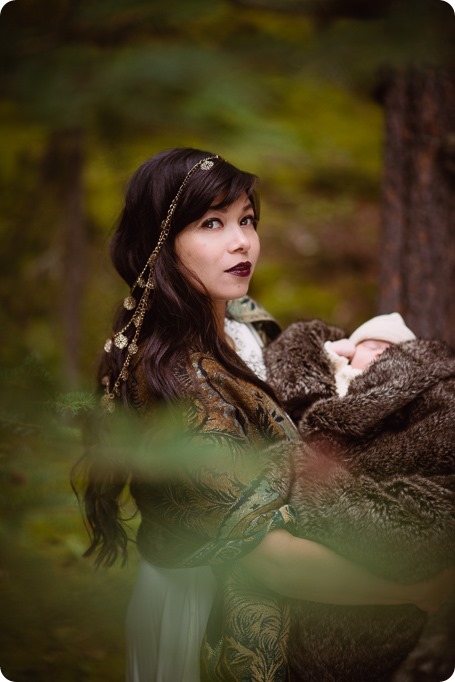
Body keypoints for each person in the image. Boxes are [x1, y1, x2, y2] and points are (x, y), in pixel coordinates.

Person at [79, 148, 452, 682]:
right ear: (159, 243)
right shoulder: (178, 383)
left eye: (247, 220)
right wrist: (415, 589)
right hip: (210, 612)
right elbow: (266, 558)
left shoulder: (240, 322)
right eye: (212, 223)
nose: (241, 242)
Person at [264, 315, 455, 681]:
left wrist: (304, 474)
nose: (378, 354)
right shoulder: (313, 377)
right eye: (370, 345)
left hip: (360, 632)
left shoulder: (430, 403)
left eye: (388, 351)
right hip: (273, 616)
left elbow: (426, 525)